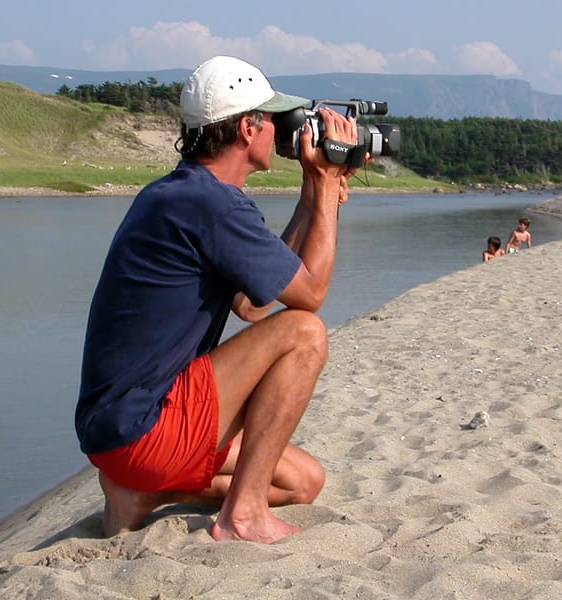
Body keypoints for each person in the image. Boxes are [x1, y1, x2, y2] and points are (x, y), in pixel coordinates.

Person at [75, 55, 364, 544]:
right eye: (273, 120)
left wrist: (313, 198)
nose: (282, 131)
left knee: (302, 482)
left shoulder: (181, 194)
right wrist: (326, 180)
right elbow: (310, 295)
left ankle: (143, 494)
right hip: (145, 426)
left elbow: (253, 306)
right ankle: (243, 514)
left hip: (116, 430)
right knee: (305, 334)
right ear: (248, 129)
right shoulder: (212, 205)